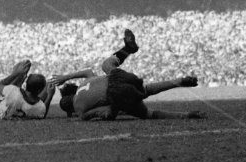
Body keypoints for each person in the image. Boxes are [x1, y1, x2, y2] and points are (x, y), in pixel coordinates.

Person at [53, 28, 206, 121]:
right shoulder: (83, 85)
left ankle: (187, 114)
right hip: (117, 77)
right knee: (106, 65)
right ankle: (127, 49)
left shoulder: (80, 112)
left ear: (71, 110)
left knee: (148, 111)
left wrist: (117, 110)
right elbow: (87, 71)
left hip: (116, 93)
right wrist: (64, 77)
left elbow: (107, 113)